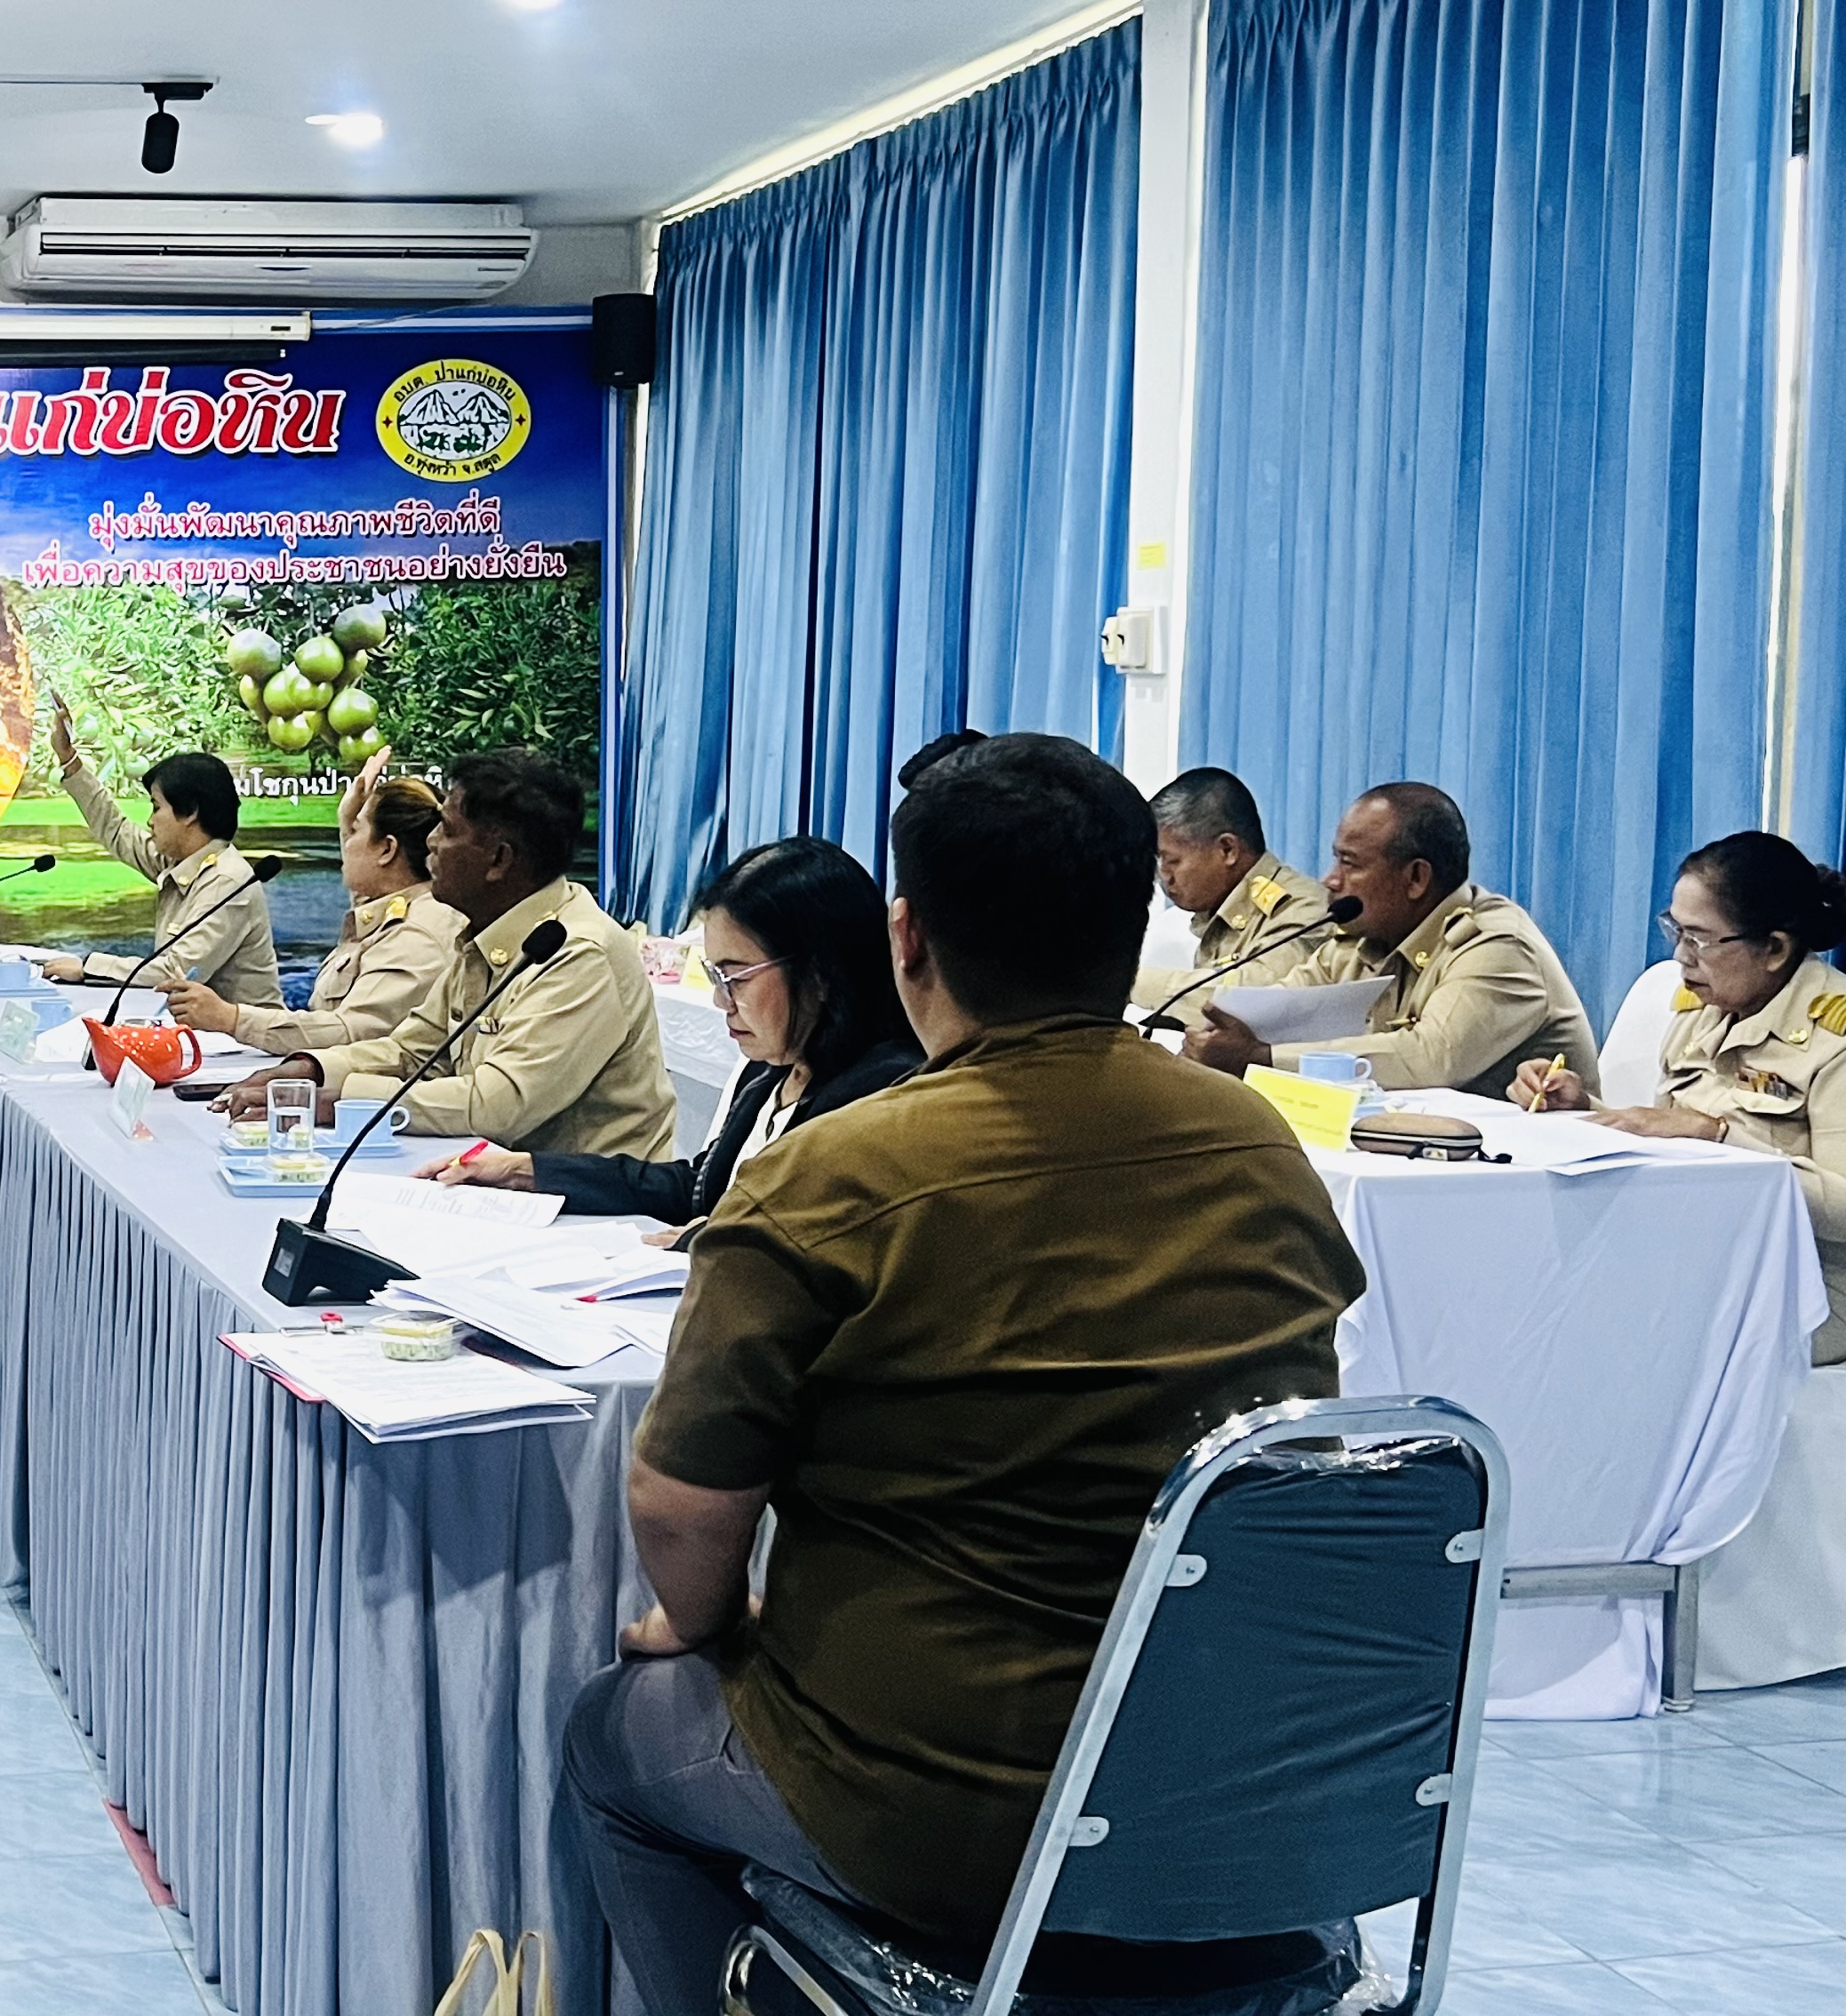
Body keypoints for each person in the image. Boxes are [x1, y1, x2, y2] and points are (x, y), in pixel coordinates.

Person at [563, 734, 1362, 2012]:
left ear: (908, 940)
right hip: (1234, 1792)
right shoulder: (1258, 1151)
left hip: (942, 1818)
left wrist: (701, 1632)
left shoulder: (833, 1175)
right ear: (1131, 925)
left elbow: (679, 1504)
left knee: (616, 1738)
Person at [420, 836, 916, 1236]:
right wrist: (526, 1171)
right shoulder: (773, 1070)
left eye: (736, 976)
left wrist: (706, 1241)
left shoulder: (879, 1094)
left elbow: (803, 1236)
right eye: (714, 976)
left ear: (821, 973)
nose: (722, 1001)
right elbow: (697, 1189)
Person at [220, 750, 677, 1156]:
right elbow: (414, 1050)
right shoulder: (484, 931)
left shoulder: (577, 952)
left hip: (593, 1218)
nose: (432, 843)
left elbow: (496, 1105)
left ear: (498, 860)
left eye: (448, 829)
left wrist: (337, 1100)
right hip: (491, 1183)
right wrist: (312, 1070)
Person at [1519, 832, 1846, 1362]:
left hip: (1810, 1284)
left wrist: (1719, 1138)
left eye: (1699, 939)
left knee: (1613, 1333)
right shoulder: (1700, 1011)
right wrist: (1584, 1109)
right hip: (1698, 1250)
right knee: (1536, 1290)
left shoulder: (1835, 1038)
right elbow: (1668, 1136)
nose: (1680, 956)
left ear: (1776, 949)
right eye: (1676, 930)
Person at [1181, 782, 1594, 1097]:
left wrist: (1259, 1059)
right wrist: (1221, 1033)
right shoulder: (1366, 938)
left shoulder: (1498, 946)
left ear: (1416, 878)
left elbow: (1430, 1059)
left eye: (1350, 863)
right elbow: (1274, 1009)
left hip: (1532, 1184)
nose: (1330, 880)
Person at [163, 748, 461, 1052]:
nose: (347, 844)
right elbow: (370, 881)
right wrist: (348, 819)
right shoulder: (392, 907)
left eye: (356, 831)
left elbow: (352, 1033)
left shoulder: (417, 936)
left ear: (387, 850)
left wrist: (230, 1018)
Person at [36, 700, 279, 1006]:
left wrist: (88, 967)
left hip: (242, 1044)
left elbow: (178, 971)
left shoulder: (229, 881)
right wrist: (69, 759)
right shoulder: (182, 862)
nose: (150, 820)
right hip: (196, 1031)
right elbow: (115, 829)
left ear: (189, 813)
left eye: (156, 806)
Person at [1129, 766, 1332, 1012]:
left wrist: (1124, 983)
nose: (1163, 876)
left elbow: (1251, 1000)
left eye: (1171, 861)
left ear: (1227, 850)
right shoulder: (1221, 908)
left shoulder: (1304, 909)